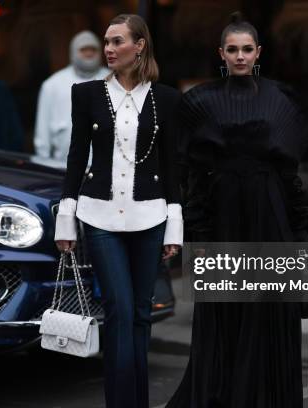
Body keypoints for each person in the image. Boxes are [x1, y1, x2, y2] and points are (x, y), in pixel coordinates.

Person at [167, 12, 308, 407]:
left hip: (271, 214)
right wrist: (195, 230)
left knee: (269, 311)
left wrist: (300, 232)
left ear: (258, 52)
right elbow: (193, 175)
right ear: (221, 52)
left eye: (246, 49)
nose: (239, 56)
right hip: (223, 216)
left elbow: (290, 173)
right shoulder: (200, 101)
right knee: (225, 310)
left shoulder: (281, 98)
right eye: (232, 49)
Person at [54, 14, 183, 408]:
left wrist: (174, 226)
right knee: (120, 311)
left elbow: (172, 165)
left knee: (142, 314)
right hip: (99, 217)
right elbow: (76, 160)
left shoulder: (166, 100)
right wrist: (66, 221)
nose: (108, 49)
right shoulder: (86, 94)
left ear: (139, 45)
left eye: (117, 42)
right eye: (106, 42)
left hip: (150, 217)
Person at [34, 31, 110, 163]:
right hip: (63, 167)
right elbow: (42, 130)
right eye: (83, 49)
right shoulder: (52, 84)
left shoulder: (115, 80)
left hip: (107, 167)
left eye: (93, 49)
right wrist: (44, 162)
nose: (89, 53)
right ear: (73, 52)